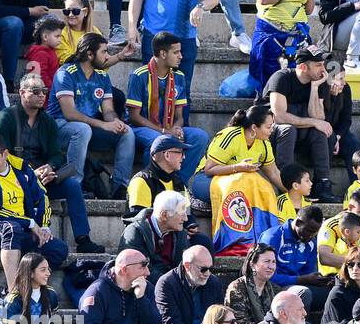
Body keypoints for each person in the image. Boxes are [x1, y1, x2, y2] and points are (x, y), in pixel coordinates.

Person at [0, 73, 102, 253]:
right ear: (21, 93)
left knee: (73, 186)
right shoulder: (6, 118)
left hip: (42, 180)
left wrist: (50, 167)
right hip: (13, 182)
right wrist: (28, 173)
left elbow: (56, 154)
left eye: (44, 91)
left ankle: (83, 239)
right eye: (35, 91)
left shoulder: (48, 121)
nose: (41, 95)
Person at [0, 133, 69, 277]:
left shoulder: (21, 168)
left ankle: (22, 286)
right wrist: (30, 223)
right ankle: (13, 293)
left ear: (5, 154)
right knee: (11, 228)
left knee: (58, 249)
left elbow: (41, 196)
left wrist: (43, 226)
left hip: (22, 230)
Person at [46, 32, 134, 195]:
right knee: (82, 129)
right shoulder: (66, 73)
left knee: (127, 133)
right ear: (89, 54)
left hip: (87, 127)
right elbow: (70, 113)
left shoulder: (102, 76)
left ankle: (120, 186)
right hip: (58, 127)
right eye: (104, 52)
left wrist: (114, 121)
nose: (107, 56)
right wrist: (103, 124)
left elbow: (107, 110)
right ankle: (75, 185)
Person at [78, 248, 177, 324]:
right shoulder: (97, 291)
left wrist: (141, 298)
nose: (148, 272)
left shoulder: (145, 287)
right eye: (143, 266)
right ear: (124, 270)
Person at [124, 31, 209, 177]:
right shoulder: (139, 76)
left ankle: (178, 183)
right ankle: (151, 182)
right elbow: (134, 117)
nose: (181, 56)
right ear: (163, 54)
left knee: (200, 137)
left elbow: (180, 116)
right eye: (176, 52)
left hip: (167, 128)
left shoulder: (179, 77)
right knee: (158, 140)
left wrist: (176, 127)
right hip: (140, 128)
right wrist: (163, 131)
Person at [264, 45, 335, 201]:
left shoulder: (319, 81)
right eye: (318, 65)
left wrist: (315, 88)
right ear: (303, 67)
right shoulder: (281, 78)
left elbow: (318, 118)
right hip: (271, 132)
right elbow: (279, 116)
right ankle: (287, 184)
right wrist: (314, 122)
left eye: (323, 64)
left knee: (319, 132)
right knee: (288, 129)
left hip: (300, 134)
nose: (323, 69)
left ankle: (323, 184)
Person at [191, 104, 283, 208]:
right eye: (268, 127)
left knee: (264, 190)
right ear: (254, 127)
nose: (272, 130)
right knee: (240, 191)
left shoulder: (264, 142)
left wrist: (292, 191)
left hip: (238, 182)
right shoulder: (231, 135)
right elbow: (209, 169)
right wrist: (238, 167)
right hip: (206, 179)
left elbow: (274, 173)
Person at [120, 190, 198, 286]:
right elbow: (139, 270)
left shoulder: (179, 232)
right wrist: (170, 284)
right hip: (146, 289)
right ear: (164, 215)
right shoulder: (135, 232)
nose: (186, 219)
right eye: (181, 214)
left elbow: (184, 265)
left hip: (173, 286)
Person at [257, 205, 327, 311]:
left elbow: (308, 274)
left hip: (296, 285)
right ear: (298, 222)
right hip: (271, 287)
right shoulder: (273, 237)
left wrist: (319, 280)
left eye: (315, 232)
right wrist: (300, 279)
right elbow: (265, 275)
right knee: (303, 293)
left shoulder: (311, 242)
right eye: (308, 230)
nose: (311, 236)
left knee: (331, 292)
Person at [154, 244, 223, 324]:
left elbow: (220, 315)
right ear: (187, 266)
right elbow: (172, 323)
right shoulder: (167, 284)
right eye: (203, 269)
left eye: (210, 269)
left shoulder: (214, 282)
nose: (207, 273)